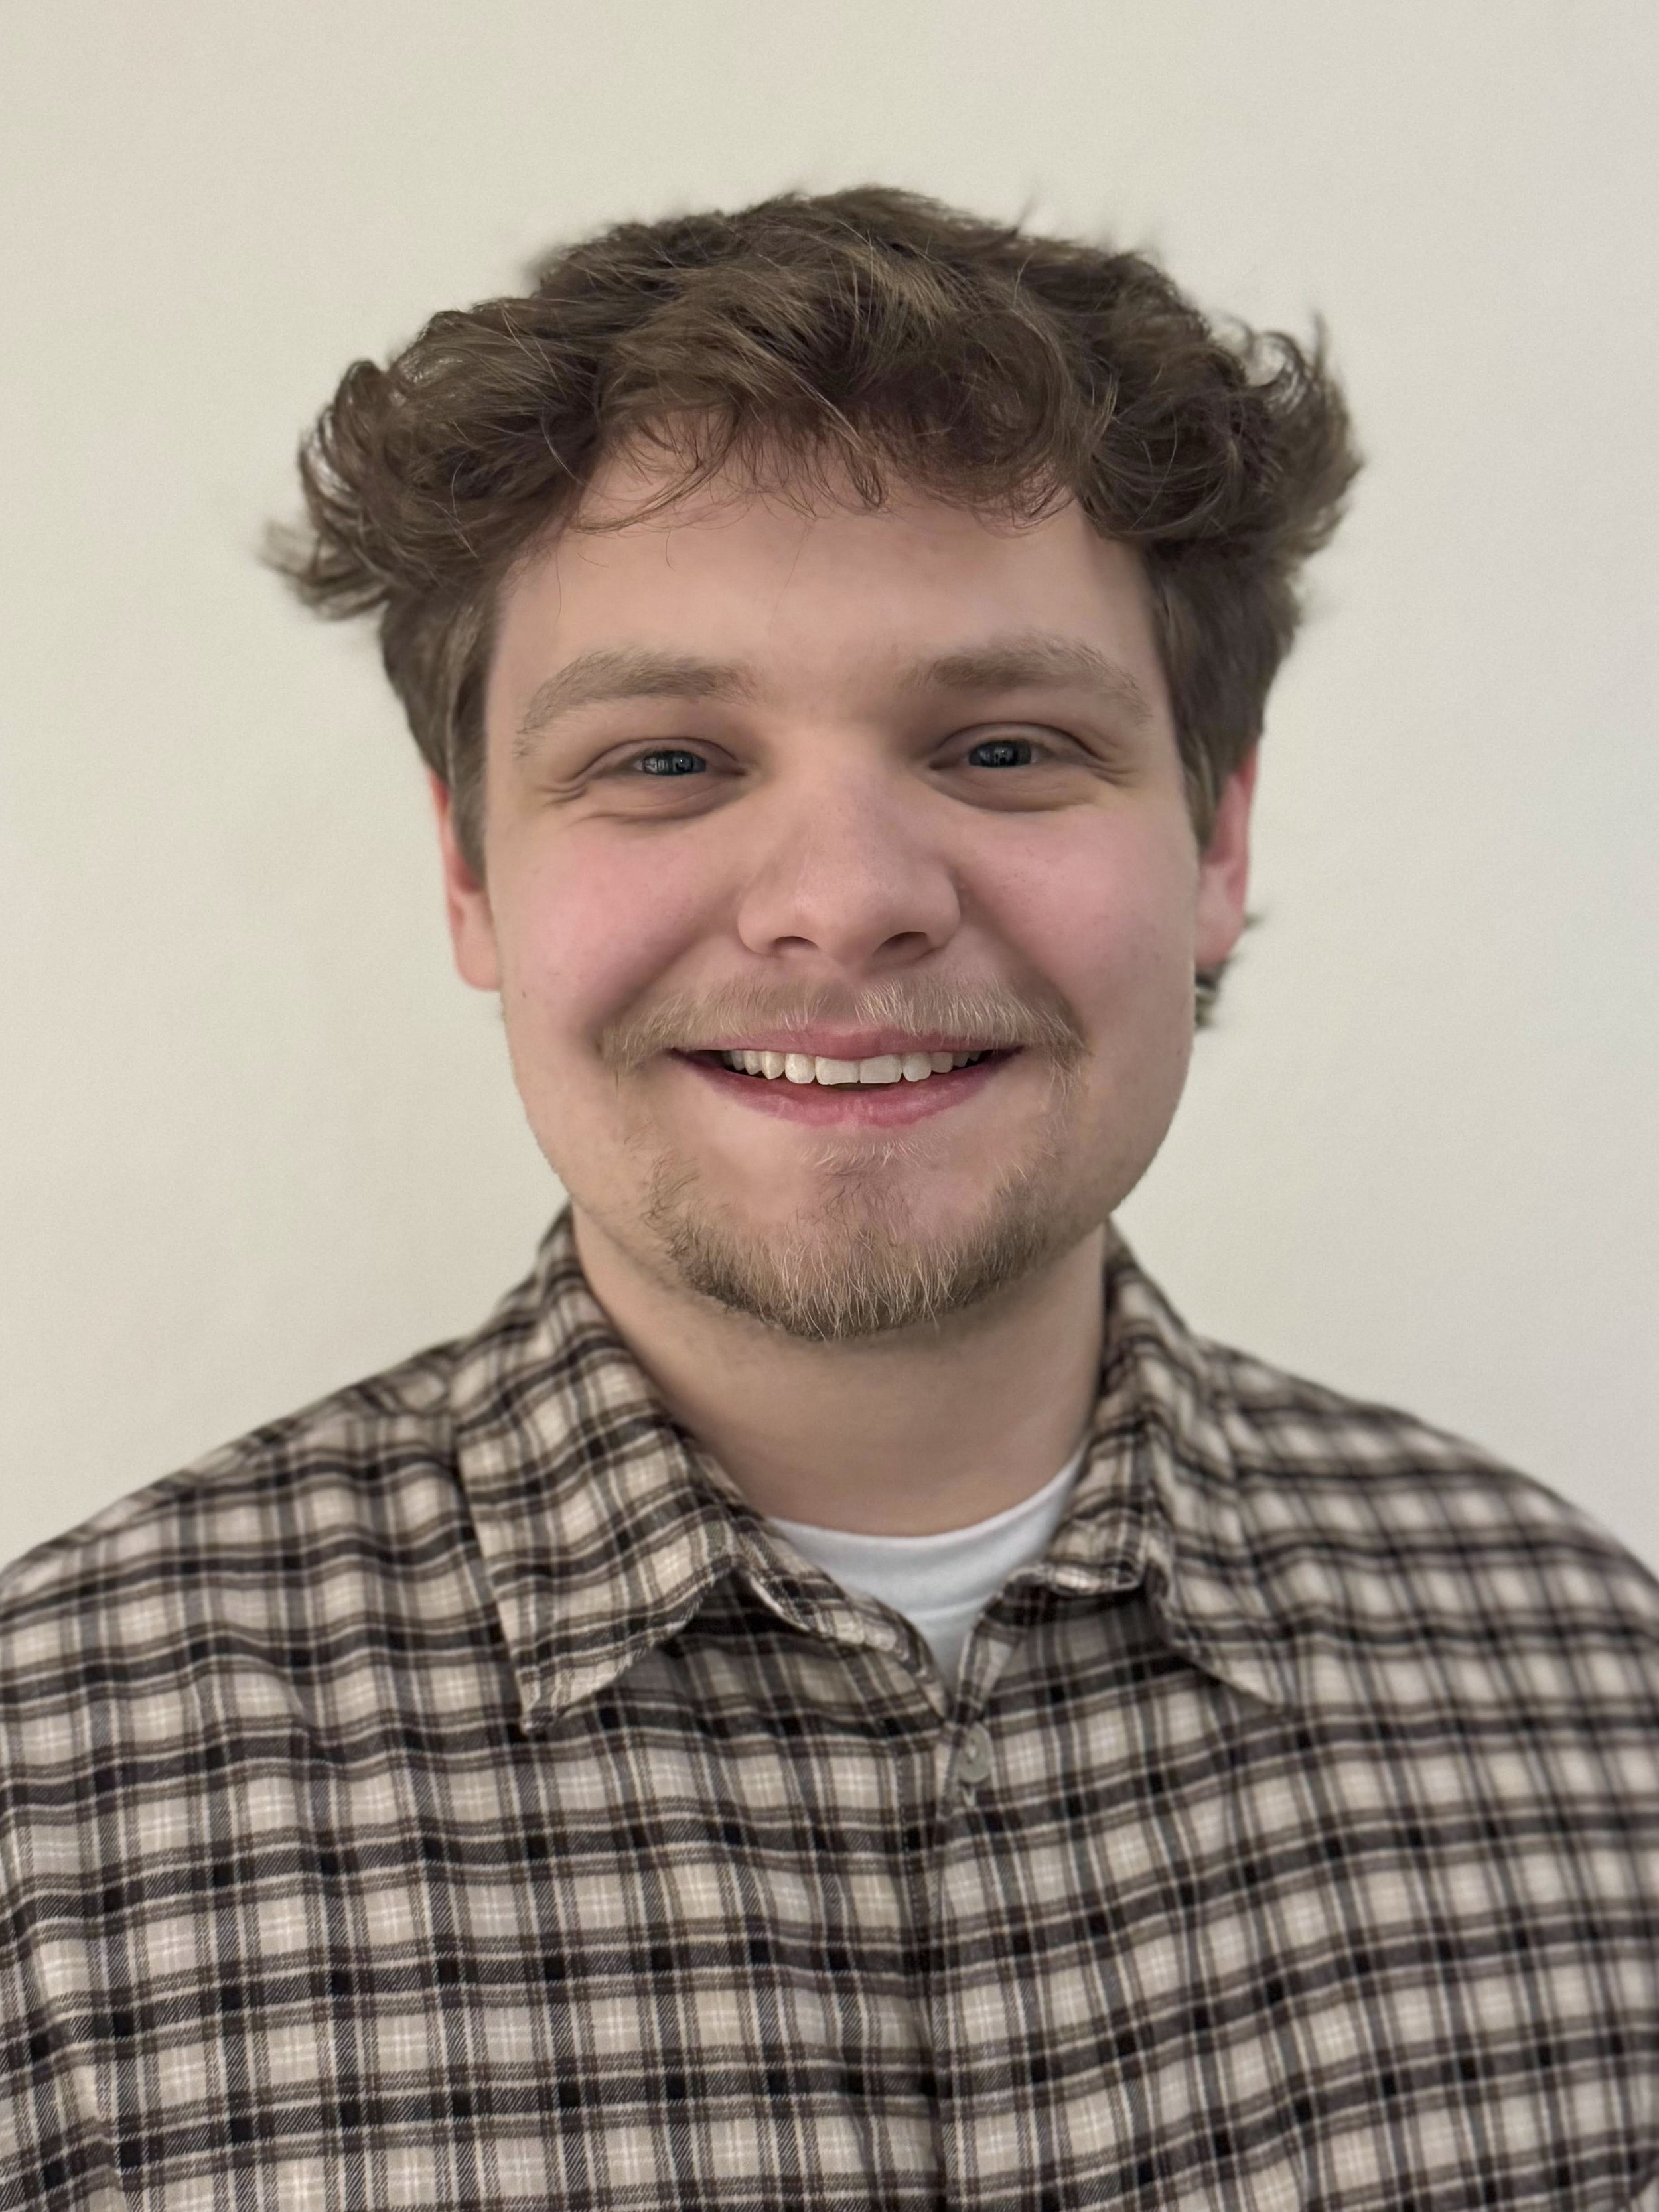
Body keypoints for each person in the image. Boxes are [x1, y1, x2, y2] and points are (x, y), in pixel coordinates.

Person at [2, 187, 1654, 2212]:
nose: (847, 897)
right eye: (670, 761)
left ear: (1214, 839)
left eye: (1002, 743)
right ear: (467, 875)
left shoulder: (1593, 1696)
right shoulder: (49, 1816)